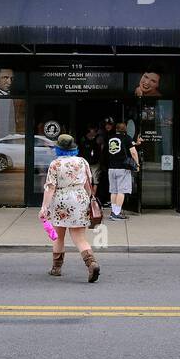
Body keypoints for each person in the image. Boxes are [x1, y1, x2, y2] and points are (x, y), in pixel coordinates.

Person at [38, 134, 100, 282]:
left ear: (58, 148)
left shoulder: (55, 164)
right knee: (80, 238)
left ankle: (56, 268)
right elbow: (87, 184)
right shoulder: (82, 162)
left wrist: (44, 207)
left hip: (61, 200)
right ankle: (91, 263)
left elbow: (50, 187)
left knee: (59, 237)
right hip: (79, 199)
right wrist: (89, 197)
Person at [102, 117, 140, 221]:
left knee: (113, 191)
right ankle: (117, 213)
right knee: (121, 191)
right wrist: (137, 164)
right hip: (122, 168)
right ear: (125, 129)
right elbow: (133, 152)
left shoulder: (111, 138)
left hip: (111, 168)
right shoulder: (126, 138)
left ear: (116, 129)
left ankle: (113, 212)